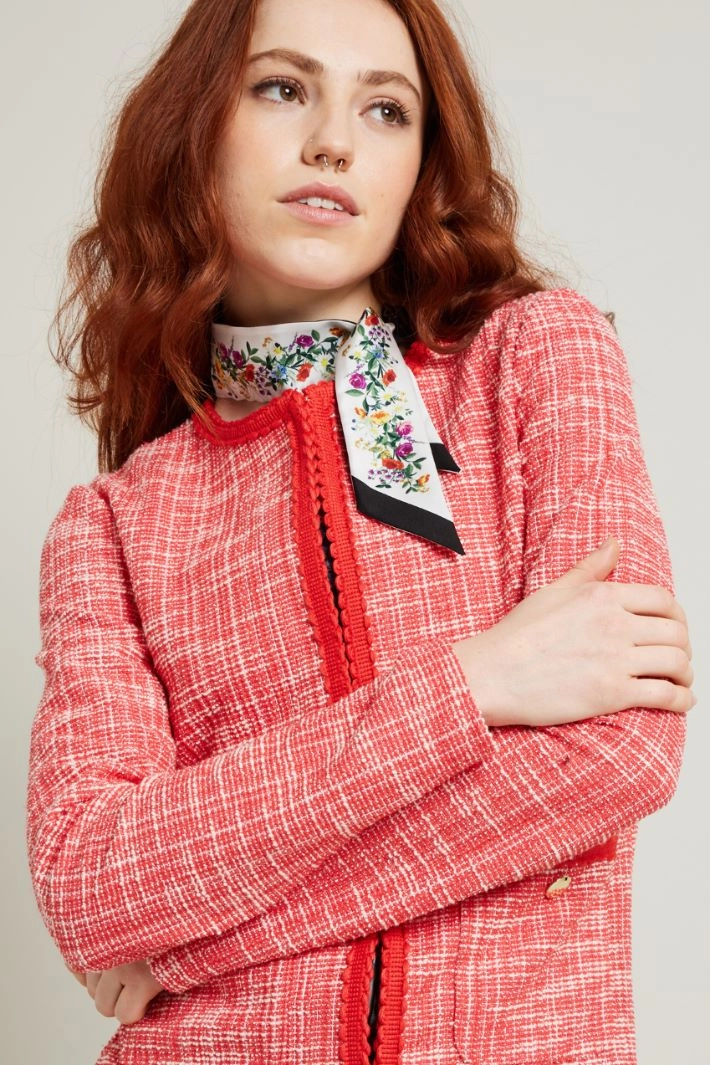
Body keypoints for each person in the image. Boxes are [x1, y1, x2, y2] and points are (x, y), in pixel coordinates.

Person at [26, 0, 695, 1062]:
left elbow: (613, 753)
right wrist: (470, 686)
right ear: (196, 128)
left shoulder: (532, 362)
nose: (333, 140)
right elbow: (91, 883)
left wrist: (189, 945)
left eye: (386, 109)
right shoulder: (111, 523)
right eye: (282, 88)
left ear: (422, 164)